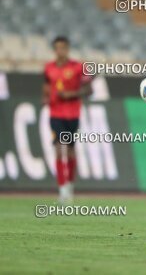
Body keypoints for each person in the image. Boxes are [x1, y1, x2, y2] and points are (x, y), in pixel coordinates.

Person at [43, 36, 92, 205]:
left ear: (68, 48)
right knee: (58, 149)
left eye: (63, 47)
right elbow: (47, 86)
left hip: (73, 114)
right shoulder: (48, 68)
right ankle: (62, 189)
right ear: (54, 50)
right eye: (58, 48)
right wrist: (45, 97)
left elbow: (89, 89)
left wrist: (71, 94)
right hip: (55, 114)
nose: (61, 51)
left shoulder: (77, 67)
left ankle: (70, 185)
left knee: (70, 151)